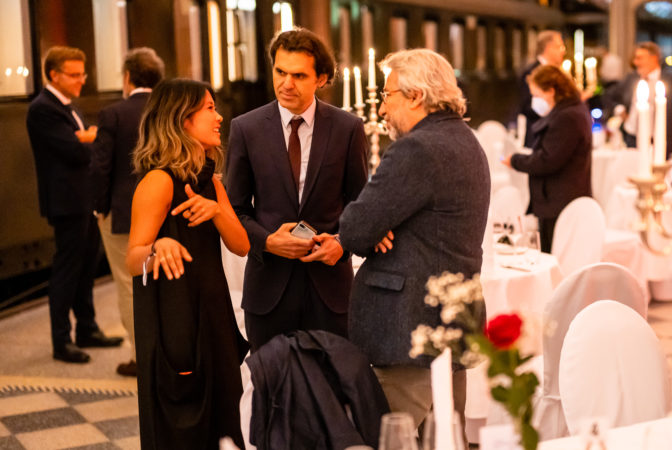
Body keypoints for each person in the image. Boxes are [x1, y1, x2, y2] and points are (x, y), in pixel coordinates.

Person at [339, 49, 490, 429]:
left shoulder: (417, 148)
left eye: (387, 95)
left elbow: (354, 228)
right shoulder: (466, 140)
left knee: (392, 437)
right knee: (446, 438)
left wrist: (375, 228)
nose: (382, 109)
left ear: (416, 96)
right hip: (451, 321)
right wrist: (379, 226)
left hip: (408, 329)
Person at [225, 28, 368, 350]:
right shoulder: (246, 128)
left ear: (321, 79)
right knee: (272, 380)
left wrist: (342, 244)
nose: (286, 83)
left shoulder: (348, 128)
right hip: (268, 291)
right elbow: (235, 209)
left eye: (299, 75)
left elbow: (360, 205)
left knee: (331, 380)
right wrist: (267, 242)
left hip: (331, 292)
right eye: (280, 72)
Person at [126, 79, 250, 448]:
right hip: (177, 325)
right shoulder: (158, 181)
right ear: (182, 119)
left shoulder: (210, 182)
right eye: (209, 108)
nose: (219, 116)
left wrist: (217, 211)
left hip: (213, 320)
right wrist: (157, 246)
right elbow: (133, 258)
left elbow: (241, 245)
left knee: (224, 424)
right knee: (183, 431)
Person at [26, 46, 123, 364]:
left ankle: (87, 328)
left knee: (87, 266)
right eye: (74, 74)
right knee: (67, 269)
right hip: (66, 202)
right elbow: (76, 151)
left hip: (85, 198)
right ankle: (61, 340)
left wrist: (88, 138)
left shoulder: (69, 105)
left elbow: (88, 143)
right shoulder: (43, 108)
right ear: (54, 75)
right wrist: (89, 139)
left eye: (83, 73)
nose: (82, 79)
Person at [92, 47, 165, 376]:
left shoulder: (113, 114)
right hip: (165, 209)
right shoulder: (167, 109)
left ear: (127, 77)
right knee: (164, 283)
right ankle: (167, 351)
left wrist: (100, 208)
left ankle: (141, 357)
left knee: (129, 284)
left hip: (122, 214)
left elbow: (101, 167)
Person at [501, 65, 592, 252]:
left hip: (560, 200)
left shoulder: (567, 117)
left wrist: (515, 160)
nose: (534, 101)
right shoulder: (572, 110)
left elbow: (548, 160)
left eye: (536, 95)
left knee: (555, 253)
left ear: (551, 91)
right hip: (559, 198)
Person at [602, 41, 672, 158]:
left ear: (654, 58)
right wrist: (619, 109)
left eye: (639, 58)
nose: (635, 62)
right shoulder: (631, 79)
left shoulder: (671, 82)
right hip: (632, 139)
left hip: (661, 141)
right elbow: (608, 96)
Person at [513, 30, 567, 148]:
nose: (563, 51)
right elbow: (527, 107)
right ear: (548, 48)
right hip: (538, 137)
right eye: (559, 47)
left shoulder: (559, 72)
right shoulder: (532, 72)